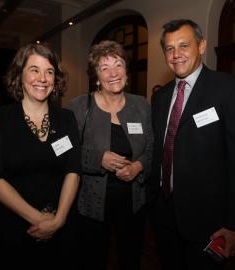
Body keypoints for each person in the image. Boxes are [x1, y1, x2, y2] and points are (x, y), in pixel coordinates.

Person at [148, 19, 235, 270]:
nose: (176, 54)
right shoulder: (160, 98)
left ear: (202, 45)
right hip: (163, 214)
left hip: (209, 220)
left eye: (184, 45)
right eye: (170, 49)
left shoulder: (230, 89)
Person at [0, 43, 81, 268]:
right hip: (14, 228)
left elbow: (73, 170)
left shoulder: (67, 119)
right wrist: (39, 220)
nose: (42, 78)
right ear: (20, 75)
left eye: (49, 72)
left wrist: (59, 220)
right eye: (34, 70)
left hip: (62, 227)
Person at [67, 40, 153, 270]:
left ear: (126, 71)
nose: (113, 73)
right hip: (91, 203)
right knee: (93, 258)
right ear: (96, 76)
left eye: (118, 65)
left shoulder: (141, 105)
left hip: (133, 201)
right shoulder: (78, 107)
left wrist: (138, 167)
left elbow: (152, 148)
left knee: (131, 257)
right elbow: (64, 150)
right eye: (104, 68)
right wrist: (98, 159)